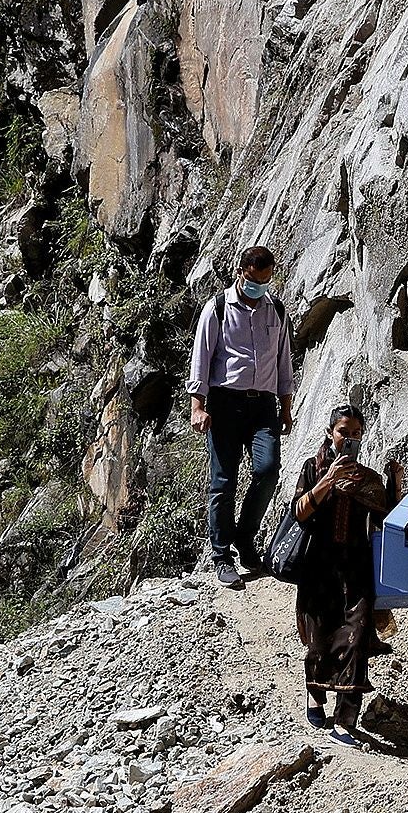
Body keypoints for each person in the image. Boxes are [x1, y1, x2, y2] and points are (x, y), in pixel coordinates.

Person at [186, 243, 296, 588]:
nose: (257, 287)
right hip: (225, 403)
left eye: (264, 281)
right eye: (252, 280)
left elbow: (283, 361)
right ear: (240, 273)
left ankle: (245, 539)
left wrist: (287, 406)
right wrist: (197, 406)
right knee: (223, 482)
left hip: (263, 404)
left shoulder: (275, 310)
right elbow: (201, 358)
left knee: (267, 470)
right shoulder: (218, 308)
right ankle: (222, 555)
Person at [284, 405, 389, 746]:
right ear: (331, 432)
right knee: (320, 639)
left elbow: (385, 518)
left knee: (357, 638)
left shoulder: (366, 478)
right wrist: (328, 480)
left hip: (356, 567)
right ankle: (315, 696)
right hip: (319, 567)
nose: (350, 438)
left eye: (357, 433)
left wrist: (394, 485)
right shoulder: (312, 469)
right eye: (345, 431)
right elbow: (299, 512)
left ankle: (346, 719)